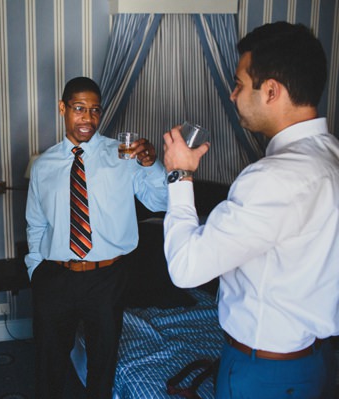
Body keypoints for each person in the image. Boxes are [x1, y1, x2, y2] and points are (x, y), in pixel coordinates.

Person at [162, 22, 339, 399]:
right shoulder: (332, 156)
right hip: (317, 361)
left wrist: (180, 174)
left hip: (265, 374)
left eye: (240, 84)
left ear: (271, 90)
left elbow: (185, 268)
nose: (232, 95)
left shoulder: (270, 178)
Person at [25, 76, 168, 398]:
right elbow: (35, 223)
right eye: (79, 108)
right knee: (48, 363)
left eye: (94, 110)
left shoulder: (124, 156)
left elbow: (160, 202)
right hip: (55, 276)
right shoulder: (43, 166)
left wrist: (150, 165)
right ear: (63, 108)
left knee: (102, 365)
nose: (87, 118)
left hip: (107, 277)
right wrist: (36, 270)